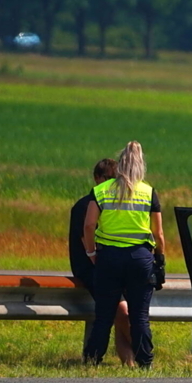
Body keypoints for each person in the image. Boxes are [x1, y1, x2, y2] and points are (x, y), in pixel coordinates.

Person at [82, 141, 165, 368]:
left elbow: (89, 225)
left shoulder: (101, 191)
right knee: (139, 316)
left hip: (108, 258)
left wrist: (91, 252)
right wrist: (160, 260)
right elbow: (158, 233)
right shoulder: (148, 192)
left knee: (104, 316)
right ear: (141, 166)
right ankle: (145, 363)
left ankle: (92, 360)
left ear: (120, 165)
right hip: (140, 258)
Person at [69, 159, 135, 367]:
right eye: (108, 179)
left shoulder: (115, 205)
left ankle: (130, 364)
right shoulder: (85, 205)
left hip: (112, 264)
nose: (112, 184)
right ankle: (143, 351)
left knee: (120, 312)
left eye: (116, 180)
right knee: (121, 310)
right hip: (90, 266)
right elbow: (87, 238)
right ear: (97, 179)